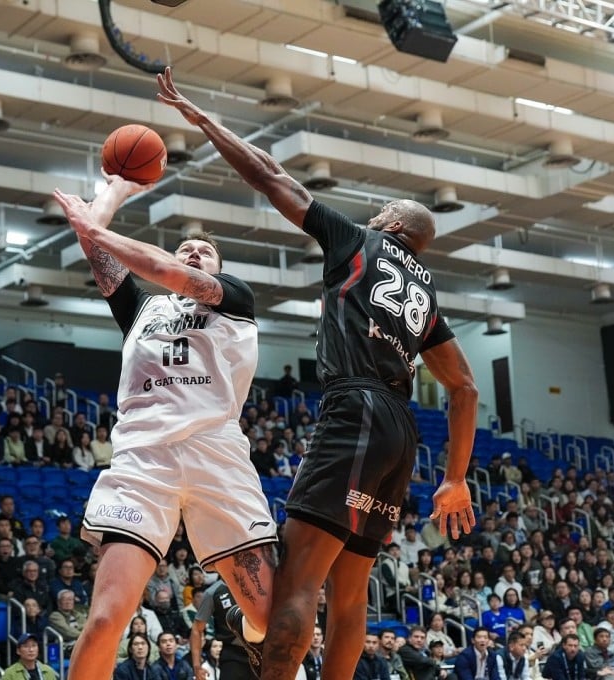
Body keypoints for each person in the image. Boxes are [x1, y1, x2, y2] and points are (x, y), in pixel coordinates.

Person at [155, 67, 479, 680]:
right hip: (401, 433)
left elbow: (270, 175)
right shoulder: (426, 297)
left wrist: (203, 121)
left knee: (300, 581)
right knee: (351, 596)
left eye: (382, 209)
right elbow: (464, 388)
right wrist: (456, 478)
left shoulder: (358, 241)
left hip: (355, 410)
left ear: (391, 225)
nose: (375, 210)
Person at [52, 169, 278, 679]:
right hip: (143, 458)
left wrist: (95, 225)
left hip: (214, 453)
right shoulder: (143, 310)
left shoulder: (235, 300)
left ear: (218, 269)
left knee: (272, 616)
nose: (194, 253)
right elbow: (100, 255)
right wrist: (113, 193)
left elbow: (151, 262)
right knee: (108, 617)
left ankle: (243, 628)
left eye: (204, 251)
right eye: (186, 249)